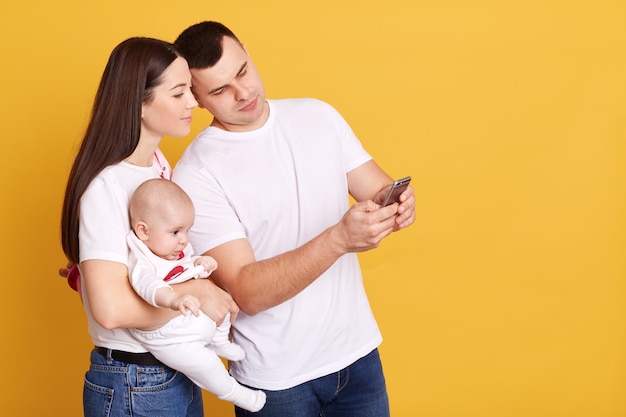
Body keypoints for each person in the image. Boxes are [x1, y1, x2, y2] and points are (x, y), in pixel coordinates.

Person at [171, 21, 416, 417]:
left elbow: (379, 188)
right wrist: (339, 239)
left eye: (243, 70)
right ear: (195, 97)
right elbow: (247, 292)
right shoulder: (196, 173)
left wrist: (399, 205)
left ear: (248, 52)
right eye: (219, 90)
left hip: (357, 354)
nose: (244, 92)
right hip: (276, 379)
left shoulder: (318, 116)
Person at [60, 37, 240, 417]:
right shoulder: (107, 185)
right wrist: (197, 297)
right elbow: (109, 311)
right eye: (178, 93)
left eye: (190, 89)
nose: (194, 101)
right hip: (134, 381)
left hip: (169, 373)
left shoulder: (156, 164)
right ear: (138, 103)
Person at [126, 178, 266, 412]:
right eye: (175, 232)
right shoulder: (142, 260)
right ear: (143, 231)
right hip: (166, 337)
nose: (184, 239)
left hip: (189, 321)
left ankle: (219, 341)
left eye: (187, 230)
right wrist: (173, 299)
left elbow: (185, 268)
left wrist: (200, 264)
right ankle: (236, 393)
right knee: (206, 364)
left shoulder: (171, 248)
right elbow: (148, 287)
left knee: (223, 301)